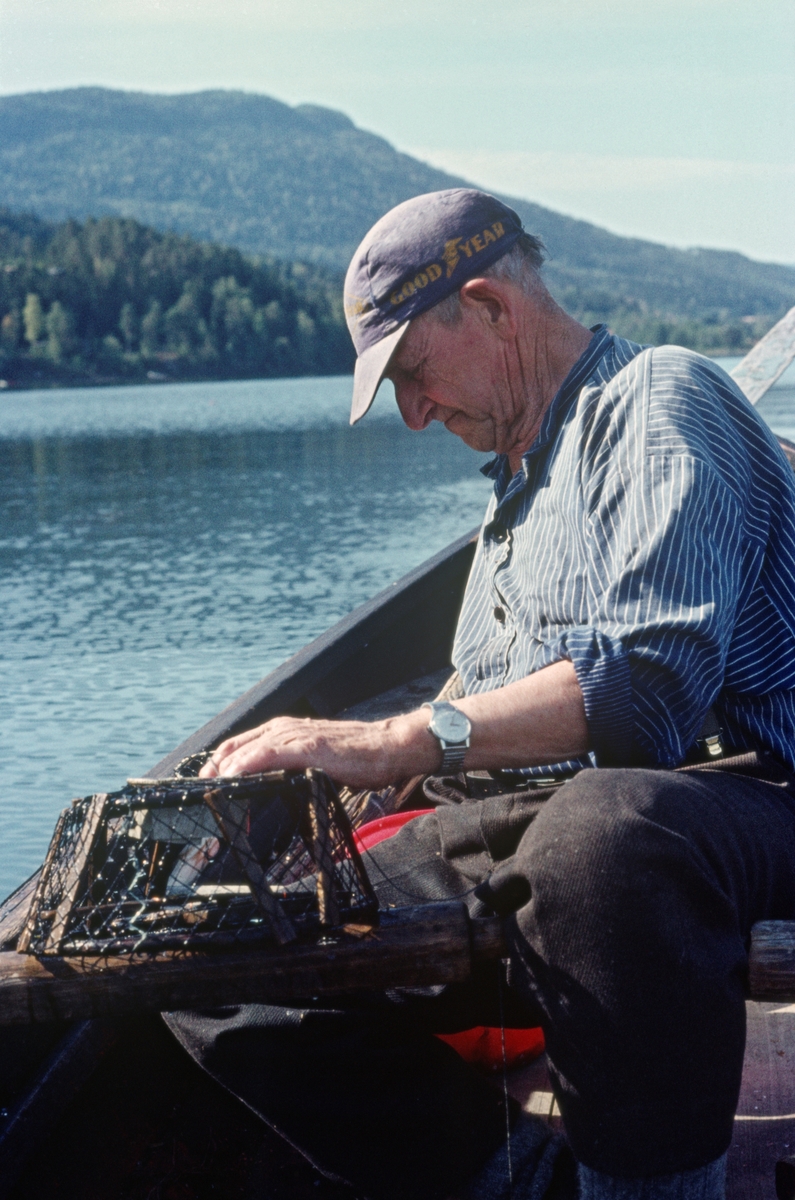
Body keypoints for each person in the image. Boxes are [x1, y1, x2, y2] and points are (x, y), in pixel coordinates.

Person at [166, 189, 795, 1200]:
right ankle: (525, 1181)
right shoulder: (517, 489)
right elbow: (480, 706)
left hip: (744, 805)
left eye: (414, 373)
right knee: (211, 934)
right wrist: (347, 788)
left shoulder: (662, 401)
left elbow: (649, 695)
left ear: (490, 306)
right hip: (555, 822)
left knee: (603, 835)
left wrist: (399, 740)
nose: (415, 413)